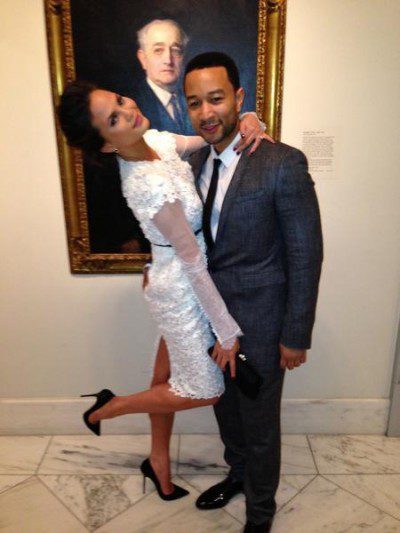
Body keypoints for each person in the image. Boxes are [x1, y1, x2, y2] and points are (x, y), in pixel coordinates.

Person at [57, 80, 268, 502]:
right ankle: (110, 407)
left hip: (171, 272)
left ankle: (158, 462)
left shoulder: (156, 140)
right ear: (106, 144)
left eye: (120, 101)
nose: (128, 110)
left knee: (162, 380)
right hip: (183, 289)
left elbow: (208, 139)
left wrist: (248, 119)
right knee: (205, 389)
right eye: (113, 119)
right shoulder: (146, 184)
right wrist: (227, 333)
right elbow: (192, 262)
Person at [183, 53, 323, 533]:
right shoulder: (193, 161)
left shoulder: (282, 163)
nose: (206, 112)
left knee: (260, 423)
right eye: (195, 103)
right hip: (210, 321)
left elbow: (305, 255)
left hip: (262, 323)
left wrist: (295, 335)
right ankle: (238, 475)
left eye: (216, 99)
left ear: (239, 98)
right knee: (225, 409)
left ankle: (260, 513)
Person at [134, 19, 193, 135]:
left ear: (184, 56)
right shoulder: (134, 105)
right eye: (158, 50)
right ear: (143, 58)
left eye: (175, 50)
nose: (168, 60)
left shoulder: (195, 97)